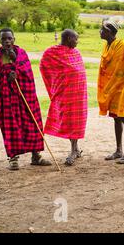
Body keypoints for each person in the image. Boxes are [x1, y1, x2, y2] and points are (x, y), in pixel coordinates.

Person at [0, 28, 51, 170]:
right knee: (11, 127)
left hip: (25, 97)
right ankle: (13, 159)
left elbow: (27, 72)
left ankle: (36, 156)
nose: (7, 41)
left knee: (32, 124)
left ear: (14, 39)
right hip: (7, 101)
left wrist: (16, 69)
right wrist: (6, 77)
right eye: (4, 39)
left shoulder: (21, 54)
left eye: (9, 38)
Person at [40, 29, 88, 166]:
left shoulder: (76, 53)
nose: (77, 42)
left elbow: (79, 72)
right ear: (68, 39)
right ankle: (76, 149)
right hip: (65, 94)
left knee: (76, 122)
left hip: (78, 95)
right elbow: (44, 66)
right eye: (76, 39)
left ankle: (74, 150)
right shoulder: (52, 53)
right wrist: (54, 85)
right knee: (69, 121)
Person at [98, 20, 124, 164]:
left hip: (121, 87)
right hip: (111, 87)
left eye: (102, 30)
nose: (100, 32)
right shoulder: (107, 46)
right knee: (116, 118)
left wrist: (118, 84)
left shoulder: (122, 46)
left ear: (110, 32)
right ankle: (118, 150)